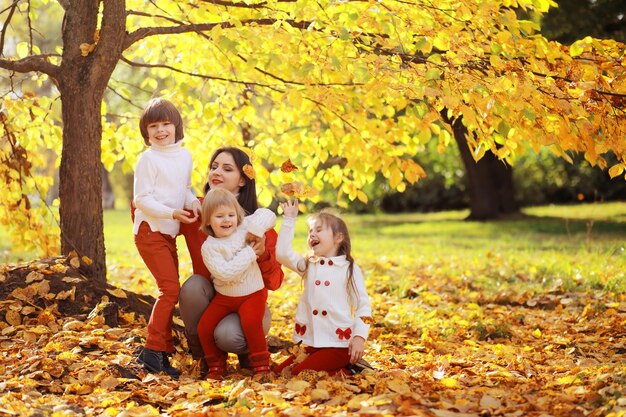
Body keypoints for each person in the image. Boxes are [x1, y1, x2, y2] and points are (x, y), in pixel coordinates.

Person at [178, 147, 284, 372]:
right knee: (192, 287)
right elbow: (148, 214)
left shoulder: (256, 224)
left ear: (243, 180)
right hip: (214, 298)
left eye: (227, 169)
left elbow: (275, 282)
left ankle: (248, 356)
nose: (217, 172)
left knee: (227, 336)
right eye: (214, 167)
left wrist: (261, 251)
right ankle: (204, 358)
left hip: (249, 300)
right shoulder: (197, 212)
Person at [132, 98, 202, 378]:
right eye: (154, 126)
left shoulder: (184, 156)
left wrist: (193, 202)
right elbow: (141, 199)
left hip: (168, 233)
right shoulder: (148, 159)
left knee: (170, 291)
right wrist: (173, 213)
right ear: (146, 132)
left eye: (165, 124)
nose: (160, 131)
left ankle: (159, 352)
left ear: (176, 126)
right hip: (150, 230)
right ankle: (152, 352)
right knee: (170, 291)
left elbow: (184, 187)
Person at [274, 200, 373, 376]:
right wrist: (289, 220)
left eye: (318, 230)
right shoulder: (309, 265)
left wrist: (359, 337)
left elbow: (363, 307)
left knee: (299, 373)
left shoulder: (349, 269)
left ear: (338, 237)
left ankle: (348, 370)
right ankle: (341, 369)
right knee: (280, 372)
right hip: (314, 344)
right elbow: (281, 253)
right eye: (310, 231)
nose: (312, 234)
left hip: (340, 345)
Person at [196, 188, 276, 379]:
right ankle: (216, 364)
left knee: (251, 322)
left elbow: (268, 214)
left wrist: (256, 229)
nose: (227, 220)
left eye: (231, 215)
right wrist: (250, 253)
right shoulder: (209, 247)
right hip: (225, 296)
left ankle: (261, 365)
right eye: (220, 216)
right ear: (207, 220)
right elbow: (224, 273)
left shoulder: (244, 228)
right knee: (204, 327)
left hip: (252, 293)